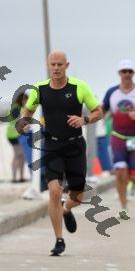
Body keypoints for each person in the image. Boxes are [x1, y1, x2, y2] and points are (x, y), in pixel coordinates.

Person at [19, 51, 103, 256]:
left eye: (60, 64)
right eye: (53, 64)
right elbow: (27, 111)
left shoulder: (79, 87)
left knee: (78, 195)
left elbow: (98, 111)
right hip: (52, 146)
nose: (56, 68)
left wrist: (84, 120)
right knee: (54, 191)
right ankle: (59, 239)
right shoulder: (40, 89)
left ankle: (66, 209)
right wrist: (23, 122)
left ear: (67, 65)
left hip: (75, 146)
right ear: (48, 65)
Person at [103, 59, 135, 220]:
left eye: (130, 71)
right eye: (124, 71)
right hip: (118, 137)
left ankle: (133, 183)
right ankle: (123, 207)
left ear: (133, 73)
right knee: (120, 172)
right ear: (119, 73)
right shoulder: (112, 92)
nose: (127, 74)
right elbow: (102, 109)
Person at [6, 92, 27, 182]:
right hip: (14, 135)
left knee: (21, 156)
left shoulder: (15, 107)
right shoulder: (17, 108)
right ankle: (14, 177)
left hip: (14, 134)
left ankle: (20, 177)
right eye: (26, 100)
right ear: (22, 99)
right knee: (18, 155)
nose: (27, 102)